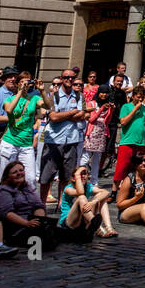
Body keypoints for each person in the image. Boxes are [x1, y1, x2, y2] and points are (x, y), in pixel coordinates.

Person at [41, 70, 86, 204]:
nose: (69, 79)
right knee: (47, 176)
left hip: (72, 139)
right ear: (61, 78)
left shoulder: (79, 96)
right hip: (54, 140)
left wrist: (62, 115)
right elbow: (53, 117)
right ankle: (41, 204)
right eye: (66, 77)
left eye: (72, 77)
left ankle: (63, 204)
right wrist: (72, 112)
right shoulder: (53, 96)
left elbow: (82, 115)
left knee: (66, 175)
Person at [0, 161, 54, 252]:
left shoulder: (27, 187)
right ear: (7, 176)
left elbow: (38, 205)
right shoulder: (3, 191)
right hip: (15, 226)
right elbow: (7, 214)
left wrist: (39, 221)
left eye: (21, 170)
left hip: (31, 223)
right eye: (14, 172)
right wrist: (26, 223)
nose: (19, 173)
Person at [0, 73, 48, 189]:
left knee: (30, 179)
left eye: (28, 82)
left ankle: (27, 203)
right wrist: (20, 92)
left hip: (26, 144)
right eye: (22, 82)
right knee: (5, 178)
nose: (26, 84)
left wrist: (42, 91)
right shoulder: (9, 99)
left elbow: (48, 105)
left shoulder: (34, 99)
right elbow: (9, 110)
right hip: (10, 142)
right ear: (17, 84)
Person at [57, 165, 115, 240]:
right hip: (70, 222)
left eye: (85, 174)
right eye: (81, 174)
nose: (83, 176)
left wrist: (94, 202)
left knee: (101, 196)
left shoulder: (88, 186)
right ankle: (97, 227)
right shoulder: (68, 188)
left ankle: (109, 228)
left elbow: (106, 192)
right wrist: (77, 174)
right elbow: (80, 192)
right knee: (82, 197)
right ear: (74, 178)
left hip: (84, 221)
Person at [113, 86, 145, 185]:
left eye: (142, 97)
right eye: (138, 97)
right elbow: (123, 122)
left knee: (137, 168)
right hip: (127, 141)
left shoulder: (144, 109)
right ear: (133, 96)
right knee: (121, 168)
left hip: (140, 143)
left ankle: (132, 189)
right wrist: (135, 110)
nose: (140, 99)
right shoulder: (126, 107)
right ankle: (114, 191)